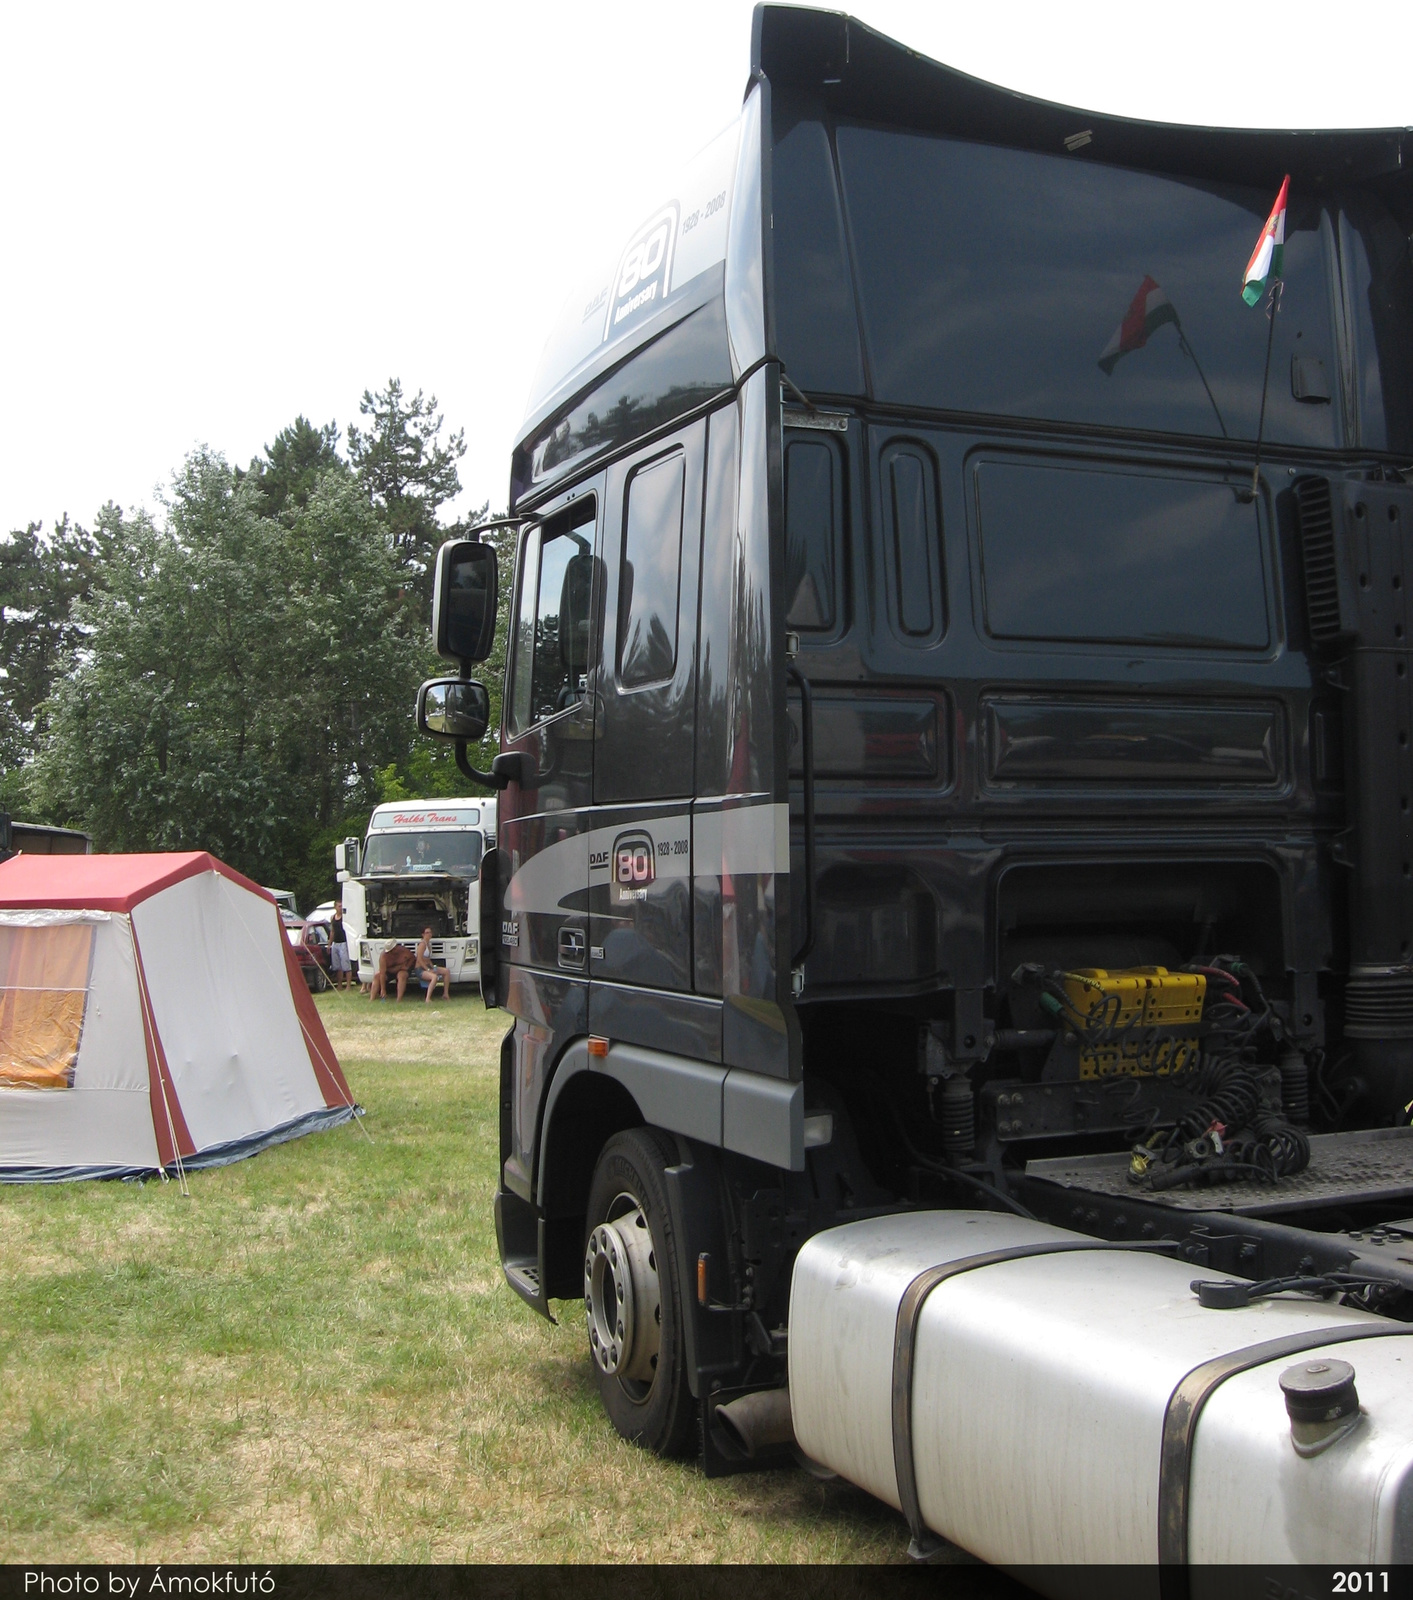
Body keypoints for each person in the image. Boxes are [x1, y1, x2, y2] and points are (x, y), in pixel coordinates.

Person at [415, 927, 449, 1002]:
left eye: (430, 932)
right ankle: (428, 998)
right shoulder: (422, 945)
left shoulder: (428, 945)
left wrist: (433, 967)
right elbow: (419, 959)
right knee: (434, 977)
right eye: (427, 933)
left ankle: (445, 994)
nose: (429, 934)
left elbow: (428, 959)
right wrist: (428, 970)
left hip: (427, 967)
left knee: (446, 971)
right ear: (423, 934)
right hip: (420, 969)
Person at [327, 904, 352, 992]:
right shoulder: (333, 917)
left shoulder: (344, 918)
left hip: (343, 943)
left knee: (346, 964)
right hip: (335, 943)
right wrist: (329, 944)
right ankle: (340, 985)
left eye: (341, 906)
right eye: (339, 906)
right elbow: (332, 931)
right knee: (337, 966)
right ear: (335, 907)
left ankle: (348, 985)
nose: (340, 908)